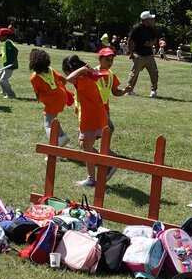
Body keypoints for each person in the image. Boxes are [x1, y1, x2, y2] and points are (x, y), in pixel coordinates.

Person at [63, 54, 117, 188]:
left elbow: (68, 79)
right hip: (94, 115)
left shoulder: (81, 77)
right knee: (83, 144)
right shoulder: (87, 77)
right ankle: (105, 166)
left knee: (86, 147)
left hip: (92, 117)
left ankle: (93, 177)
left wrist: (82, 69)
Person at [28, 49, 72, 147]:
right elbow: (63, 80)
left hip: (52, 101)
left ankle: (55, 145)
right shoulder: (51, 70)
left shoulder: (34, 78)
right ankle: (62, 137)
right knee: (53, 119)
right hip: (62, 96)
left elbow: (37, 94)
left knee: (47, 124)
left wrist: (41, 99)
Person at [125, 10, 159, 97]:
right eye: (150, 19)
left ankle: (153, 90)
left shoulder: (151, 28)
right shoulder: (137, 28)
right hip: (139, 54)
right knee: (134, 73)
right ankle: (129, 89)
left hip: (149, 55)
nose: (151, 20)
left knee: (154, 73)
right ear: (145, 19)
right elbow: (130, 40)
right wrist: (131, 53)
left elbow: (155, 39)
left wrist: (151, 43)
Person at [96, 47, 127, 133]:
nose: (110, 62)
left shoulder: (111, 75)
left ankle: (94, 145)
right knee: (108, 129)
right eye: (107, 59)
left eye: (111, 60)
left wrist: (125, 90)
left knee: (102, 130)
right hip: (94, 105)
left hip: (105, 107)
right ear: (100, 60)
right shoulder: (93, 73)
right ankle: (103, 147)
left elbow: (115, 92)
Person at [0, 27, 19, 98]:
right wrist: (0, 55)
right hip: (7, 64)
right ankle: (5, 91)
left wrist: (14, 61)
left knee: (3, 80)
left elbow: (16, 50)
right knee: (0, 74)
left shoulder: (8, 42)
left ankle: (11, 94)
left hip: (10, 65)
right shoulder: (7, 43)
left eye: (0, 36)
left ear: (5, 36)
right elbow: (7, 52)